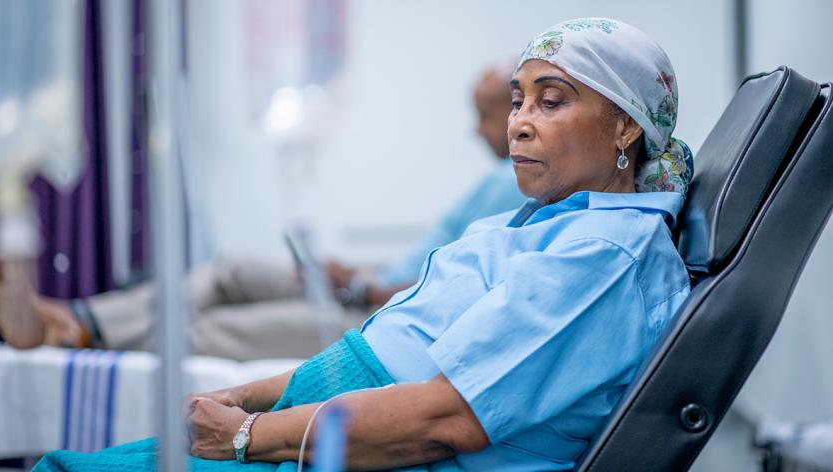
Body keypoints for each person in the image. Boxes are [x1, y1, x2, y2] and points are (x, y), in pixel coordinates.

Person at [35, 18, 694, 471]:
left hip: (384, 445)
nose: (519, 123)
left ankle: (80, 326)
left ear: (624, 129)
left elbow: (446, 419)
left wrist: (245, 435)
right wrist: (252, 396)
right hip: (339, 410)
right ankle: (81, 323)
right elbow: (400, 340)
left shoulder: (606, 257)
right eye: (519, 101)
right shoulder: (544, 221)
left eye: (550, 102)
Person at [0, 61, 525, 361]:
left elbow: (451, 289)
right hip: (368, 288)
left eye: (486, 115)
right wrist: (352, 273)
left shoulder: (516, 183)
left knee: (211, 328)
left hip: (381, 317)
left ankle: (75, 332)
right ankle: (78, 319)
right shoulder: (494, 183)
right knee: (230, 269)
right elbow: (427, 263)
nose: (476, 131)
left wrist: (359, 288)